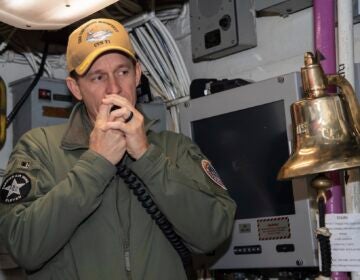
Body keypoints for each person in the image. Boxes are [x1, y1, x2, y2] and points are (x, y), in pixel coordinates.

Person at [0, 18, 236, 280]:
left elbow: (213, 233)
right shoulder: (39, 148)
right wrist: (95, 164)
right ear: (75, 87)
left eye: (122, 72)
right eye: (98, 77)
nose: (114, 88)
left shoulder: (175, 148)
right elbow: (21, 246)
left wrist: (148, 158)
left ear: (137, 74)